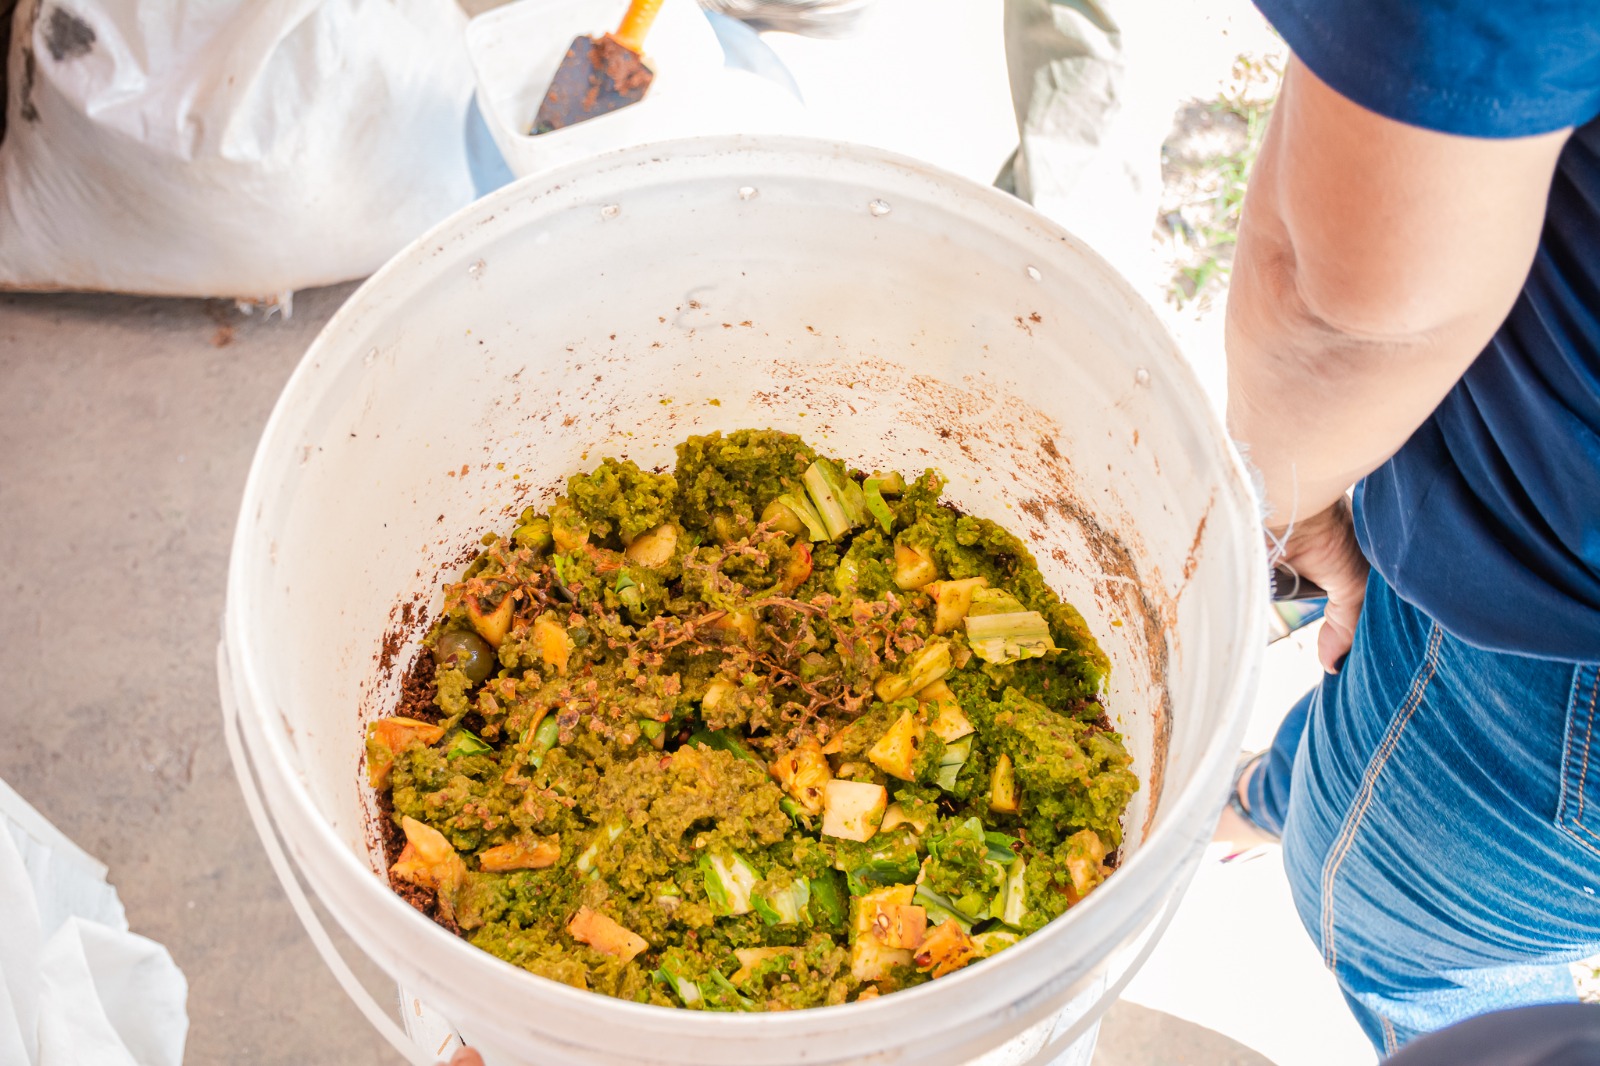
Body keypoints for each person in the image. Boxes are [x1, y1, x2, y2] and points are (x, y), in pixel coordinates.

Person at [1218, 0, 1600, 1057]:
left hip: (1549, 624)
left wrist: (1284, 503)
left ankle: (1280, 809)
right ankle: (1265, 795)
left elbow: (1344, 305)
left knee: (1398, 937)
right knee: (1370, 705)